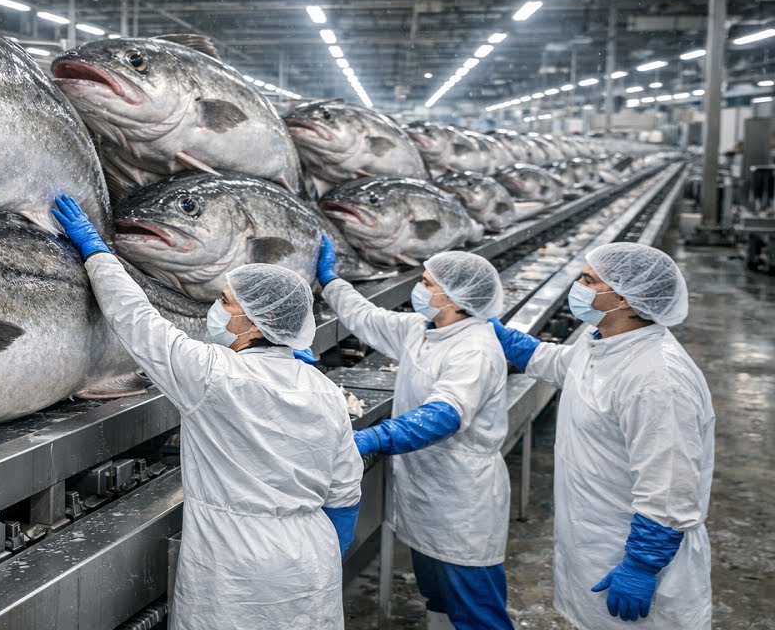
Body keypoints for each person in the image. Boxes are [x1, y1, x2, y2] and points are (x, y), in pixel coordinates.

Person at [52, 196, 363, 630]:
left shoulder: (213, 375)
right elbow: (346, 492)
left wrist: (97, 252)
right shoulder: (325, 391)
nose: (218, 309)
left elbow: (137, 321)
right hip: (310, 561)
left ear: (256, 324)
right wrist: (335, 543)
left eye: (228, 303)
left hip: (235, 568)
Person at [491, 242, 713, 629]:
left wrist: (642, 565)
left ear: (626, 299)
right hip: (595, 540)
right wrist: (499, 334)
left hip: (636, 561)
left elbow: (670, 488)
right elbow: (560, 363)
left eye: (589, 280)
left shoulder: (657, 379)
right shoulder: (604, 343)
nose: (576, 286)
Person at [317, 236, 513, 630]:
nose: (418, 289)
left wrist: (374, 437)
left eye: (427, 283)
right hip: (426, 495)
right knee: (437, 599)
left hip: (462, 505)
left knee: (477, 612)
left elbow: (443, 415)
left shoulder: (474, 348)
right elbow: (366, 317)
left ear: (456, 299)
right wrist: (329, 279)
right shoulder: (421, 330)